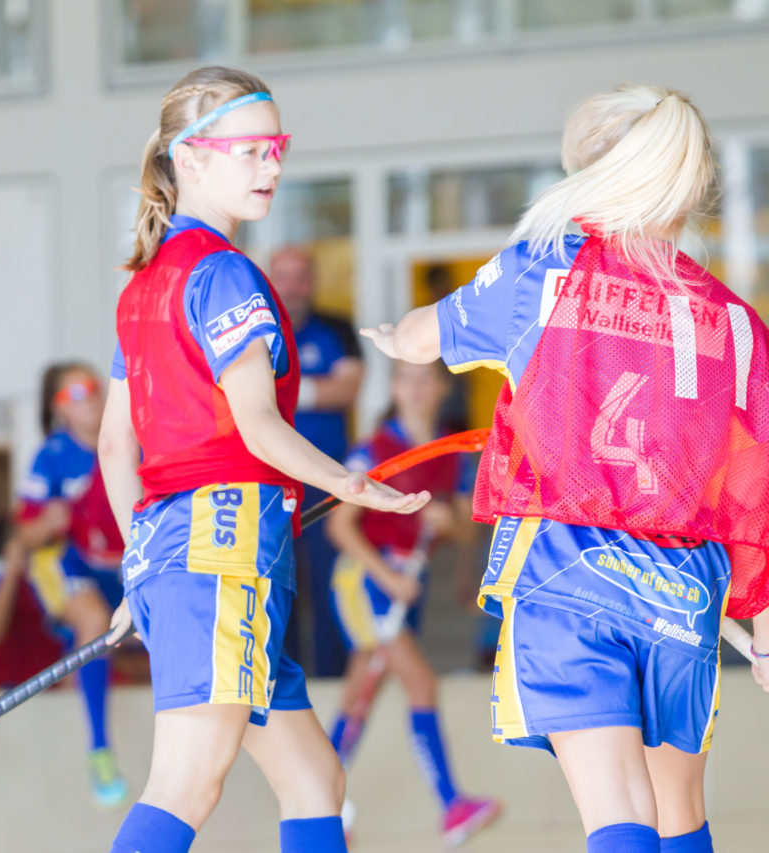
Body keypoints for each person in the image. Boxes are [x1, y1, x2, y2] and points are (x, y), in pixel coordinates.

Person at [361, 84, 769, 853]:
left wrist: (394, 334)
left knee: (618, 812)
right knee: (680, 812)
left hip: (568, 571)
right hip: (683, 590)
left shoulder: (541, 271)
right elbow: (754, 495)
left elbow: (426, 338)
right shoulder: (736, 325)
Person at [98, 65, 429, 853]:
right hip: (223, 545)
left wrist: (136, 566)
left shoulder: (145, 284)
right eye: (251, 150)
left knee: (315, 778)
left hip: (182, 546)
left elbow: (117, 445)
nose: (272, 166)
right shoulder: (222, 272)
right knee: (184, 782)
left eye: (276, 148)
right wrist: (355, 485)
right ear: (191, 157)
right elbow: (257, 426)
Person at [325, 360, 501, 845]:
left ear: (443, 386)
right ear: (395, 386)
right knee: (420, 680)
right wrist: (387, 577)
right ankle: (451, 805)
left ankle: (320, 800)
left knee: (361, 694)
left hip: (405, 584)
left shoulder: (455, 451)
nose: (417, 387)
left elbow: (468, 526)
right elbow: (339, 527)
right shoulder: (373, 450)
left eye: (427, 377)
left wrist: (450, 523)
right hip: (366, 582)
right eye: (406, 377)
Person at [14, 361, 128, 807]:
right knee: (96, 621)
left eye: (95, 386)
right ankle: (99, 747)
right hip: (68, 564)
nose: (94, 396)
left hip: (120, 564)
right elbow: (23, 535)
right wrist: (48, 522)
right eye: (78, 391)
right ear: (57, 407)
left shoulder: (126, 436)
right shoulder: (53, 455)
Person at [268, 245, 363, 676]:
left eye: (301, 276)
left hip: (328, 481)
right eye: (283, 276)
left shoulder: (336, 330)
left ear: (313, 281)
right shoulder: (256, 329)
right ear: (270, 280)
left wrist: (277, 391)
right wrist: (313, 390)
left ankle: (330, 678)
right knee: (276, 585)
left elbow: (346, 391)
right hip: (269, 482)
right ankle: (280, 681)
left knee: (328, 582)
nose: (293, 286)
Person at [0, 535, 70, 689]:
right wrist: (12, 571)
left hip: (53, 690)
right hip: (8, 688)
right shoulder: (3, 583)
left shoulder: (67, 581)